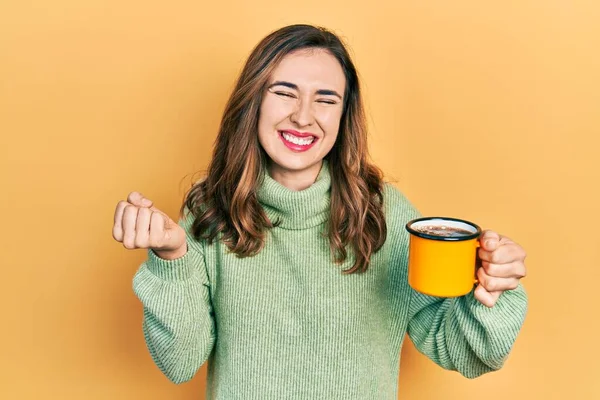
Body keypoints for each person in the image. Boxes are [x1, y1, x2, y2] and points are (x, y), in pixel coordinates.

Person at [112, 24, 528, 399]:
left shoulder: (382, 214)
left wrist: (492, 292)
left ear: (343, 115)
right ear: (252, 101)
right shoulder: (210, 210)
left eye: (325, 99)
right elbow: (179, 361)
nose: (303, 116)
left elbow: (465, 352)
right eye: (284, 93)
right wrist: (171, 258)